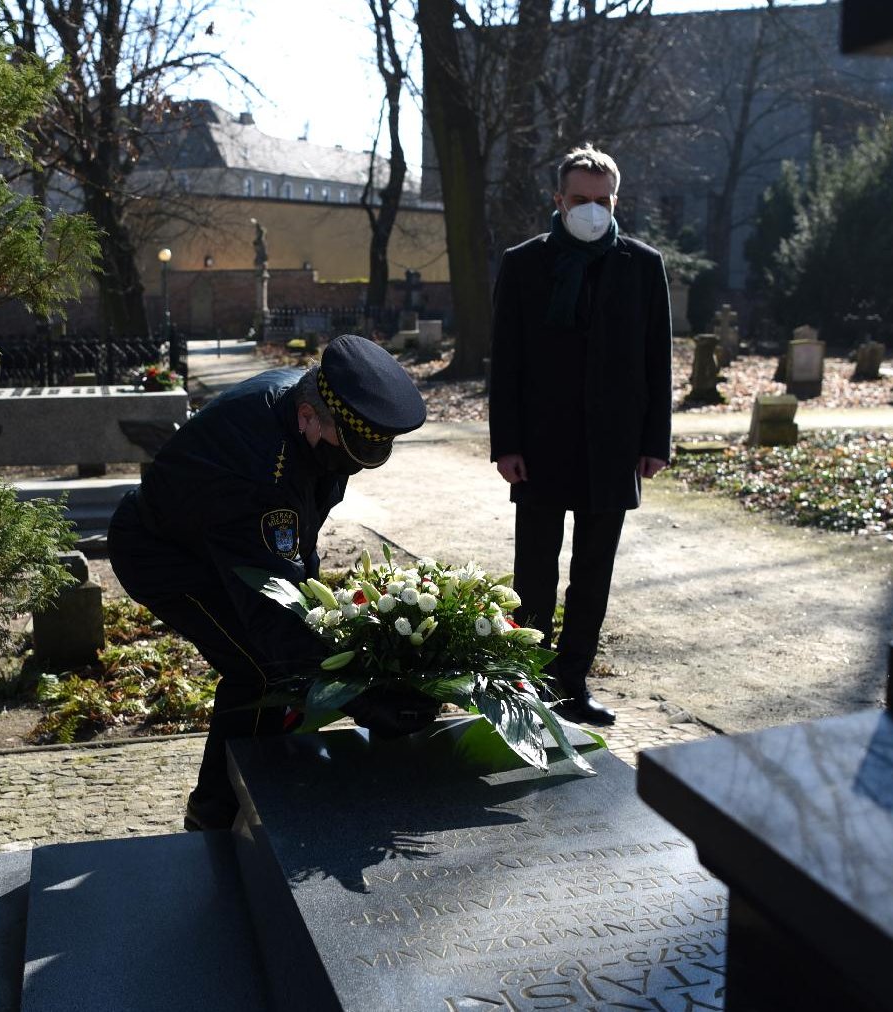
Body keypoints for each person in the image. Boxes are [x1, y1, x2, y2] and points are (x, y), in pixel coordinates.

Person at [108, 334, 428, 831]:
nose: (354, 465)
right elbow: (270, 610)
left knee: (293, 658)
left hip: (219, 536)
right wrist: (359, 698)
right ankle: (216, 815)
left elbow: (301, 538)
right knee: (259, 671)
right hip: (164, 555)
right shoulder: (259, 471)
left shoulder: (320, 417)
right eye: (351, 451)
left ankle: (275, 785)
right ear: (307, 418)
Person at [488, 144, 673, 727]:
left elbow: (656, 359)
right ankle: (529, 684)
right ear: (558, 200)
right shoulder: (524, 264)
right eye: (579, 200)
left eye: (601, 200)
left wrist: (654, 442)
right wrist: (506, 443)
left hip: (613, 445)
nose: (590, 210)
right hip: (541, 445)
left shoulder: (642, 265)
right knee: (534, 577)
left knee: (593, 575)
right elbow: (507, 360)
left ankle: (574, 684)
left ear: (615, 201)